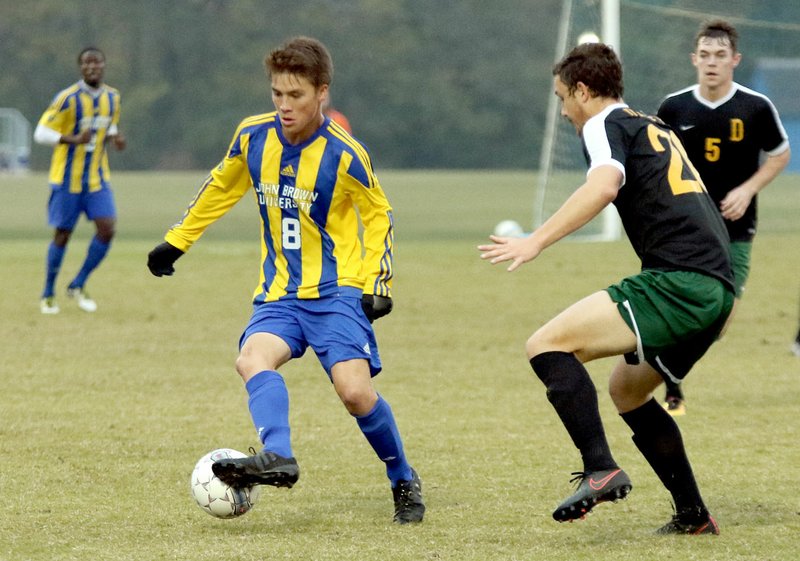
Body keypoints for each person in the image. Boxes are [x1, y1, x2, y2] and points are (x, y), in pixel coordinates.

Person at [147, 36, 424, 524]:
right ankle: (277, 456)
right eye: (277, 93)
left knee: (355, 394)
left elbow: (378, 213)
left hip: (337, 292)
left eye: (295, 95)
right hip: (279, 293)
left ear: (322, 93)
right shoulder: (253, 137)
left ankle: (402, 477)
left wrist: (378, 284)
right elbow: (220, 186)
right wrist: (178, 240)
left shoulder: (344, 154)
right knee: (252, 359)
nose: (284, 105)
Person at [479, 42, 734, 534]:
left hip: (681, 281)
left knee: (546, 345)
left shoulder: (602, 123)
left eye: (562, 97)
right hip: (716, 287)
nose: (564, 110)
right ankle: (693, 517)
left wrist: (535, 241)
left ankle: (600, 468)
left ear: (582, 90)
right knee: (627, 393)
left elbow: (603, 187)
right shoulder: (650, 124)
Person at [656, 20, 790, 415]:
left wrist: (748, 189)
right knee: (678, 301)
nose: (711, 63)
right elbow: (656, 160)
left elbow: (780, 154)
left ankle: (672, 367)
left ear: (735, 60)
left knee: (722, 314)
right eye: (705, 55)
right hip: (685, 228)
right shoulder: (673, 107)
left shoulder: (755, 107)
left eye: (720, 56)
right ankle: (670, 380)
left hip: (737, 227)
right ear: (694, 59)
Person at [34, 46, 126, 314]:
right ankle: (48, 293)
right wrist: (72, 139)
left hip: (97, 179)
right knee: (63, 234)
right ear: (80, 68)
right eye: (87, 63)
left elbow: (109, 126)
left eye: (97, 62)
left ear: (104, 65)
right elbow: (41, 132)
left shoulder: (113, 97)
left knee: (107, 228)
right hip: (66, 180)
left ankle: (78, 283)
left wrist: (115, 138)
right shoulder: (67, 98)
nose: (92, 67)